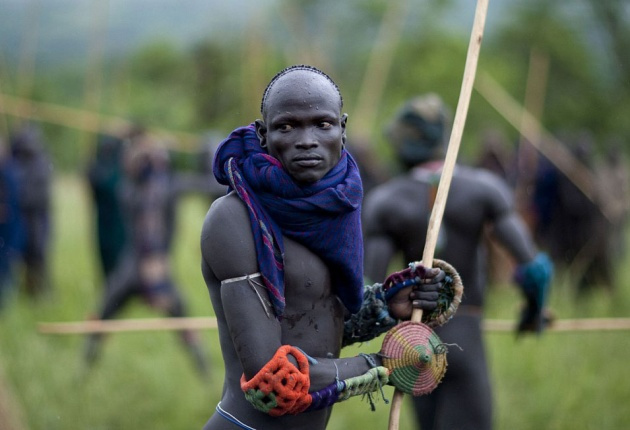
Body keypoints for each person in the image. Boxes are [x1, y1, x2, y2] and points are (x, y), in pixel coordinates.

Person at [200, 65, 454, 430]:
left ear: (342, 129)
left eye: (322, 124)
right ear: (263, 134)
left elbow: (310, 323)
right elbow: (271, 380)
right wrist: (383, 364)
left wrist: (385, 306)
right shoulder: (235, 218)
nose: (307, 140)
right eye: (287, 126)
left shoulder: (334, 210)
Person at [362, 94, 553, 430]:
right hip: (467, 337)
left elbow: (369, 294)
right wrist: (534, 311)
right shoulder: (484, 189)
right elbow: (535, 269)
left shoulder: (385, 202)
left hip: (414, 345)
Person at [84, 133, 210, 376]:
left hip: (156, 269)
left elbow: (209, 183)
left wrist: (211, 157)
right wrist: (149, 152)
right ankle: (84, 366)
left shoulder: (168, 187)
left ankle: (204, 371)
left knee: (183, 319)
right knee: (104, 311)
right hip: (134, 268)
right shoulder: (130, 191)